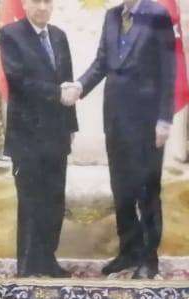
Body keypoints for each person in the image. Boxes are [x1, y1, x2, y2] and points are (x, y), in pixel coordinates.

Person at [72, 0, 179, 278]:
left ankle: (149, 259)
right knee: (122, 190)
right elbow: (101, 62)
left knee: (147, 192)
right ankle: (128, 251)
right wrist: (80, 85)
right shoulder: (111, 16)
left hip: (147, 122)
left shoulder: (158, 15)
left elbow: (169, 70)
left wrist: (164, 119)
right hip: (115, 120)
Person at [0, 0, 79, 277]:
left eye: (48, 1)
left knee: (54, 201)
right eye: (36, 1)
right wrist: (57, 94)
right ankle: (26, 266)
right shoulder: (10, 34)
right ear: (24, 4)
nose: (43, 7)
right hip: (27, 135)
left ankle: (47, 260)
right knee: (31, 202)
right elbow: (17, 81)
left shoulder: (59, 36)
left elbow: (67, 82)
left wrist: (71, 127)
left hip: (57, 134)